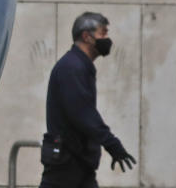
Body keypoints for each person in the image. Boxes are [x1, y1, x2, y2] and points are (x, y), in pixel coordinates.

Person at [39, 12, 136, 187]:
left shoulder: (79, 65)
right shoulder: (72, 68)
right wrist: (111, 143)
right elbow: (83, 114)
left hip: (78, 161)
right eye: (103, 33)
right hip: (66, 163)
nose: (107, 38)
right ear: (86, 36)